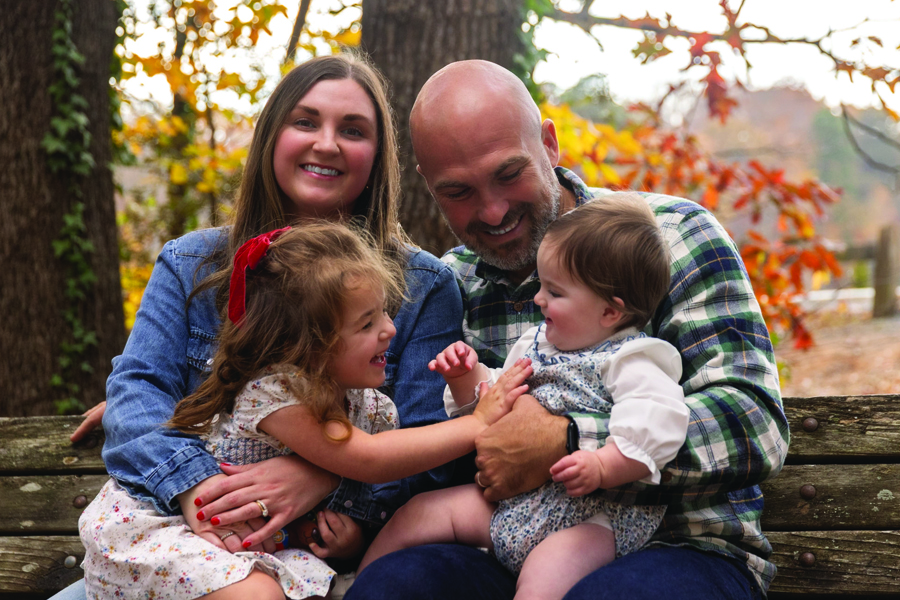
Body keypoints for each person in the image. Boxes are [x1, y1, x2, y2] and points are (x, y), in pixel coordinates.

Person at [345, 60, 789, 600]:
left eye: (509, 174)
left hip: (682, 547)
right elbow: (422, 439)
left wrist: (571, 440)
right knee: (396, 586)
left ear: (549, 144)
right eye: (458, 191)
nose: (492, 210)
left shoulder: (670, 236)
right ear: (430, 187)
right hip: (508, 542)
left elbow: (753, 423)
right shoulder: (448, 284)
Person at [53, 53, 464, 600]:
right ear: (273, 135)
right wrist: (200, 490)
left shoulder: (424, 284)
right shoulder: (194, 262)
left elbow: (420, 446)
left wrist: (324, 474)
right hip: (178, 536)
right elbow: (138, 393)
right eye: (305, 121)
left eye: (353, 130)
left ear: (377, 156)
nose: (327, 143)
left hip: (302, 557)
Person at [79, 222, 528, 599]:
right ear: (309, 347)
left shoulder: (366, 403)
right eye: (366, 323)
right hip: (171, 530)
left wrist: (342, 531)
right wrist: (478, 422)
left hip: (258, 546)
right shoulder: (278, 395)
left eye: (384, 314)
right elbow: (369, 460)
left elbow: (356, 484)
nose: (390, 331)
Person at [358, 197, 690, 600]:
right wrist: (468, 376)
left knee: (543, 582)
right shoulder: (537, 344)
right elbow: (493, 401)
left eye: (555, 292)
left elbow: (659, 418)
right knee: (419, 513)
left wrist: (603, 465)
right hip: (514, 506)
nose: (538, 300)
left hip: (587, 518)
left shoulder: (631, 359)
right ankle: (354, 584)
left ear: (610, 312)